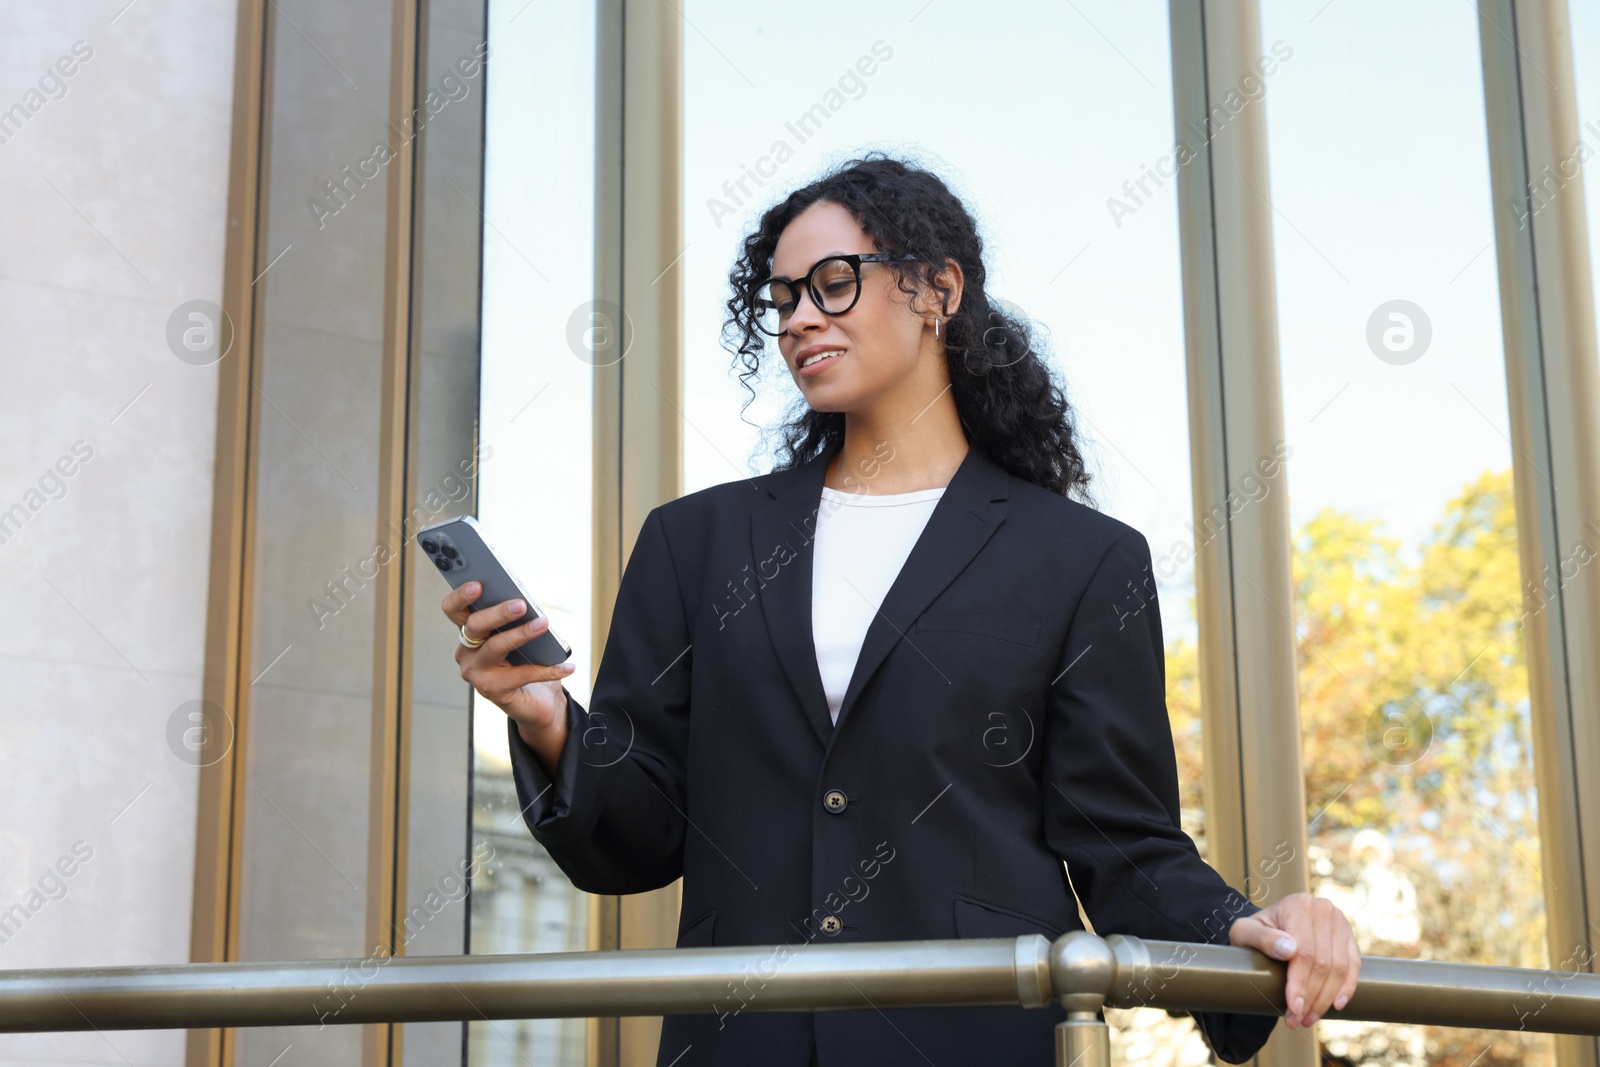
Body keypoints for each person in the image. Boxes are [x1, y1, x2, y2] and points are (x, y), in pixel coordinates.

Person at [441, 154, 1359, 1066]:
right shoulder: (696, 543)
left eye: (832, 285)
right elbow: (643, 839)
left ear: (938, 290)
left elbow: (1123, 840)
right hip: (743, 1044)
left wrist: (1245, 925)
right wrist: (549, 717)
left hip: (975, 1037)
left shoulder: (1081, 559)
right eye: (784, 297)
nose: (800, 318)